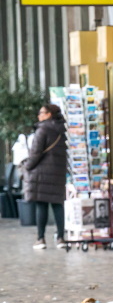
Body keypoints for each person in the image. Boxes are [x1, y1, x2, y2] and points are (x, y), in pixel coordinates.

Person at [22, 104, 68, 249]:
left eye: (41, 113)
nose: (38, 115)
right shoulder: (63, 130)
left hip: (42, 173)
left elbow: (36, 153)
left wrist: (26, 167)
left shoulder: (42, 130)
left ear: (49, 114)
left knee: (41, 204)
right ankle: (61, 238)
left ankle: (40, 239)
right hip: (58, 172)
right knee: (57, 204)